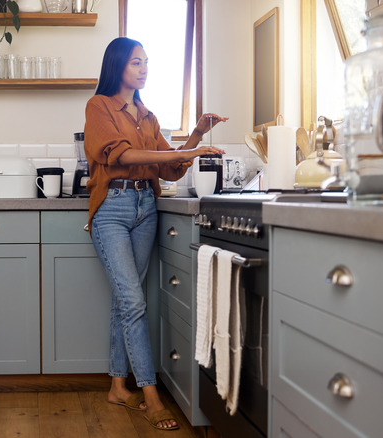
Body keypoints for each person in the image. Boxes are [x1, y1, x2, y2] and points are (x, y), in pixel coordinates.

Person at [83, 36, 228, 431]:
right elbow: (122, 155)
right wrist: (185, 152)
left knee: (125, 301)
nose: (144, 68)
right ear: (118, 66)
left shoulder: (147, 116)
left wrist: (196, 136)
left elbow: (170, 169)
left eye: (146, 62)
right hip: (111, 209)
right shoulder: (99, 107)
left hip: (146, 208)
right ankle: (150, 394)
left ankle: (117, 387)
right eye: (136, 62)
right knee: (133, 302)